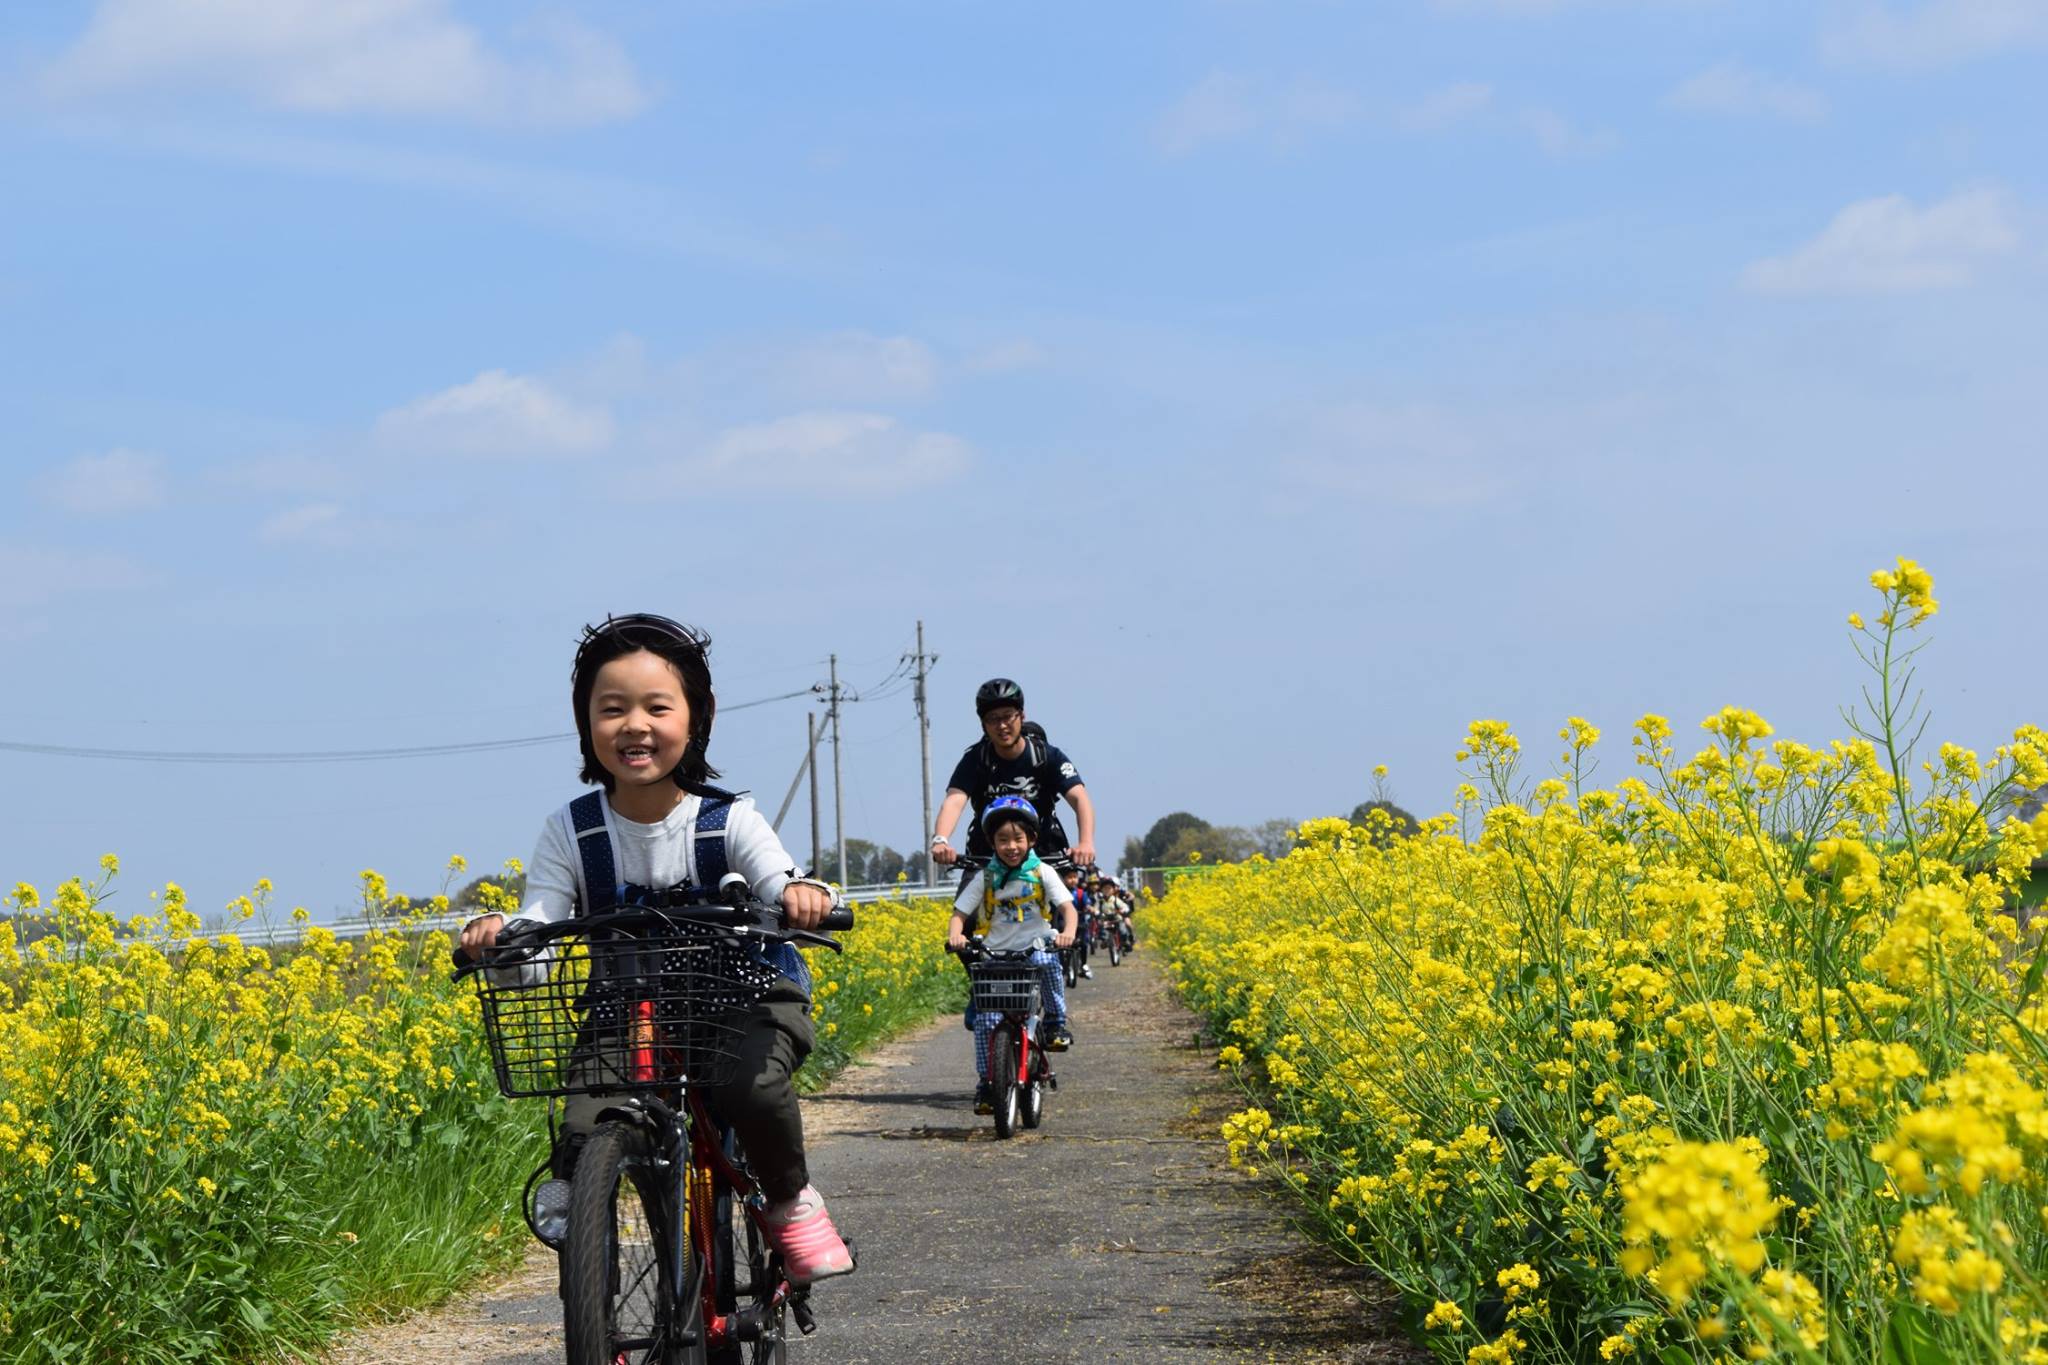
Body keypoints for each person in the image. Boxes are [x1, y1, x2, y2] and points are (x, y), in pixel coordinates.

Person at [458, 614, 855, 1286]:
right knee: (587, 1120)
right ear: (586, 723)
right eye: (611, 709)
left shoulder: (728, 818)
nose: (634, 724)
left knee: (751, 1089)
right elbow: (541, 931)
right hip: (628, 1009)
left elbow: (776, 876)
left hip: (746, 999)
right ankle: (586, 1218)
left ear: (697, 717)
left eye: (656, 706)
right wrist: (504, 941)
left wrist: (799, 895)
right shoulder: (572, 832)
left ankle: (790, 1199)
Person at [946, 796, 1077, 1113]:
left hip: (1036, 947)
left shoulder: (1042, 872)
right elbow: (959, 913)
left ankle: (1056, 1023)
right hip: (997, 954)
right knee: (985, 1021)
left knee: (1048, 963)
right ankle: (987, 1084)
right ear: (992, 842)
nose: (1011, 846)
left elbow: (1066, 908)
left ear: (1032, 839)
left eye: (1018, 838)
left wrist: (1067, 932)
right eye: (1002, 839)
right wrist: (956, 935)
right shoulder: (986, 876)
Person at [929, 678, 1095, 870]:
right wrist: (940, 840)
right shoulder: (976, 759)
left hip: (1045, 853)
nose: (1002, 726)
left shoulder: (1047, 755)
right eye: (993, 719)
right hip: (987, 855)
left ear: (1021, 716)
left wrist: (1086, 842)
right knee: (966, 900)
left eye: (1008, 716)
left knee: (1063, 900)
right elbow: (954, 801)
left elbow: (1080, 798)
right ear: (983, 724)